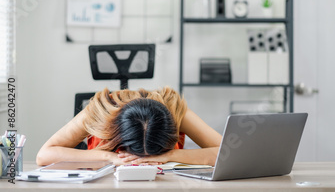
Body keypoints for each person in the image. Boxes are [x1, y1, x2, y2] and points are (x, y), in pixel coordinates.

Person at [36, 86, 222, 166]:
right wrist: (109, 157)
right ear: (114, 135)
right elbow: (44, 155)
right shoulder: (99, 111)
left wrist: (171, 155)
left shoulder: (176, 110)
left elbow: (230, 152)